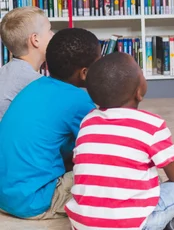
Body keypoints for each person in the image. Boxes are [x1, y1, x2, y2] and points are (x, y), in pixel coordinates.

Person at [65, 52, 174, 230]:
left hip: (82, 224)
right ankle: (166, 221)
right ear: (139, 92)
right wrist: (172, 157)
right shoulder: (152, 124)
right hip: (132, 225)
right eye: (141, 72)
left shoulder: (88, 122)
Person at [0, 28, 99, 220]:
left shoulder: (34, 86)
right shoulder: (78, 100)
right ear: (85, 73)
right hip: (33, 201)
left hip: (4, 194)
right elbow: (103, 149)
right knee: (109, 176)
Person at [0, 7, 54, 120]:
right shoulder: (35, 83)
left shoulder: (4, 72)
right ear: (35, 40)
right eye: (49, 30)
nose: (53, 34)